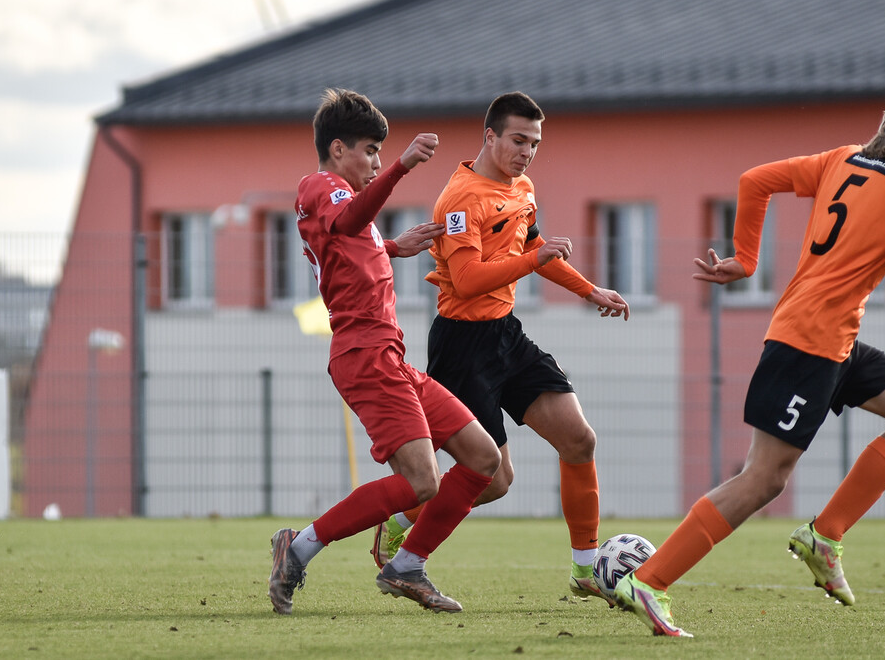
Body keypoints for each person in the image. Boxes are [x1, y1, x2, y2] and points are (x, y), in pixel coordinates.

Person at [613, 77, 885, 637]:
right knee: (763, 480)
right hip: (810, 345)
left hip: (833, 340)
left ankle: (824, 536)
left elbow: (754, 181)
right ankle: (649, 580)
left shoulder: (843, 158)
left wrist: (748, 259)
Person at [370, 91, 631, 604]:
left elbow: (533, 248)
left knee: (579, 440)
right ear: (489, 136)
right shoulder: (462, 199)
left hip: (505, 334)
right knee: (493, 480)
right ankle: (400, 522)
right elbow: (466, 281)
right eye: (518, 139)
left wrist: (590, 290)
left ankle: (585, 569)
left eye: (534, 142)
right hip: (462, 344)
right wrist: (535, 263)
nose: (527, 151)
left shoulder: (522, 188)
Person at [268, 88, 500, 616]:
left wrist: (396, 244)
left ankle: (405, 565)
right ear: (336, 149)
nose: (375, 162)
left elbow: (349, 244)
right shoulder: (320, 185)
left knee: (484, 458)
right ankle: (298, 547)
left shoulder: (344, 200)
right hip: (364, 355)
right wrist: (402, 168)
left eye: (380, 152)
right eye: (369, 150)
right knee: (421, 482)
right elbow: (346, 228)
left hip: (390, 356)